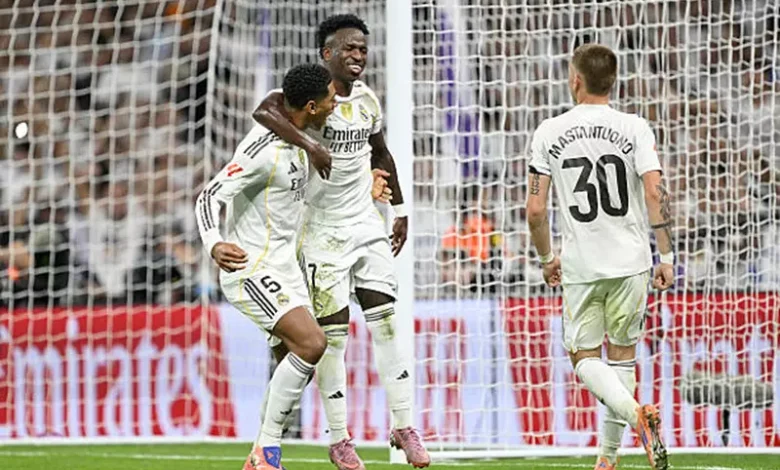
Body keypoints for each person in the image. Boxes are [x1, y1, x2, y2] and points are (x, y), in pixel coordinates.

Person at [253, 14, 429, 470]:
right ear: (326, 53)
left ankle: (404, 425)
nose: (357, 55)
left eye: (363, 49)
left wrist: (400, 210)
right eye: (349, 48)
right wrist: (311, 145)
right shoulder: (311, 101)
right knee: (334, 339)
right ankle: (339, 438)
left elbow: (381, 152)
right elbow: (263, 111)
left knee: (386, 322)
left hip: (365, 223)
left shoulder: (367, 100)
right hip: (320, 231)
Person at [525, 44, 674, 470]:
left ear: (575, 79)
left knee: (585, 358)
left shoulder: (549, 131)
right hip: (632, 262)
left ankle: (630, 422)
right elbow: (654, 192)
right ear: (614, 81)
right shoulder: (635, 127)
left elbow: (535, 209)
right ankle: (608, 457)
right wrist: (666, 254)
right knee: (622, 357)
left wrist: (546, 258)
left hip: (582, 265)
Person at [196, 63, 337, 470]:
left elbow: (272, 102)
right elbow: (209, 196)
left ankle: (261, 455)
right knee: (312, 344)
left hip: (285, 267)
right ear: (311, 107)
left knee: (295, 364)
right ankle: (266, 452)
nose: (335, 105)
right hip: (251, 267)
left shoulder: (298, 134)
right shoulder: (260, 151)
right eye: (330, 100)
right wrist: (214, 242)